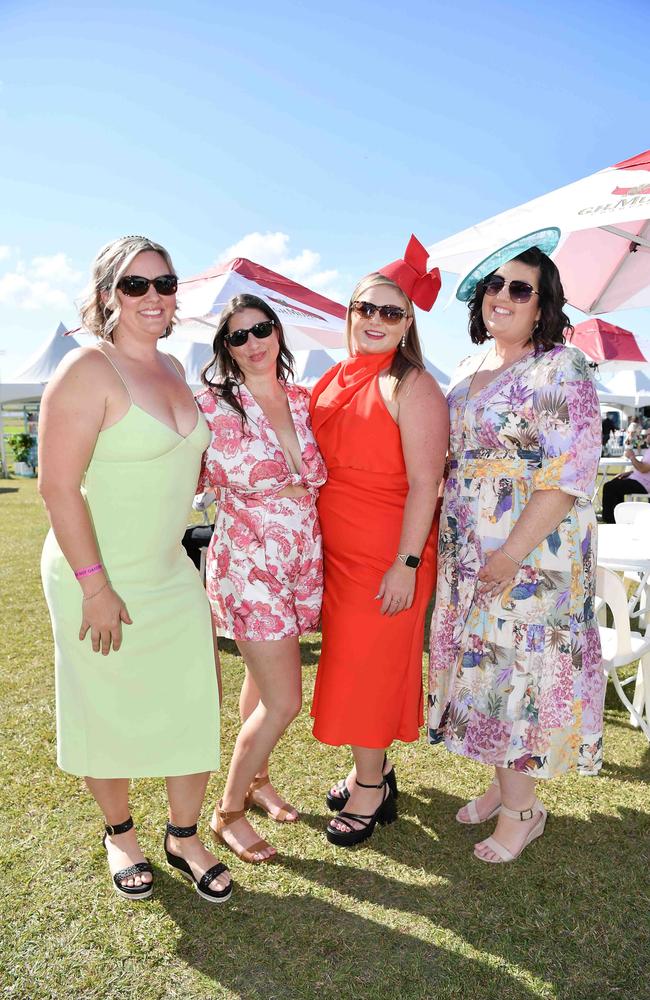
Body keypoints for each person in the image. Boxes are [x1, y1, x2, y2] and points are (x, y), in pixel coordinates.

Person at [39, 236, 231, 903]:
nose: (154, 297)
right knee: (106, 702)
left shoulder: (178, 367)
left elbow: (182, 464)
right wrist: (96, 587)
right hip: (95, 572)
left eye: (166, 284)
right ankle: (120, 832)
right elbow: (57, 486)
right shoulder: (87, 370)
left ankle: (184, 835)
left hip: (168, 567)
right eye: (136, 286)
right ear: (106, 298)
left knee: (192, 694)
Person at [427, 229, 604, 864]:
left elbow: (567, 474)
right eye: (493, 285)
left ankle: (524, 811)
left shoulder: (561, 366)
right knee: (482, 673)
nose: (502, 295)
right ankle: (503, 786)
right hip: (470, 553)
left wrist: (507, 555)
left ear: (542, 303)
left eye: (519, 288)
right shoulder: (474, 370)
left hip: (528, 557)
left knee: (513, 678)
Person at [309, 235, 449, 847]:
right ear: (350, 312)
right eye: (366, 307)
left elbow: (427, 483)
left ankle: (370, 787)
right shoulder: (333, 377)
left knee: (370, 669)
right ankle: (377, 771)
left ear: (408, 322)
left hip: (389, 554)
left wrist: (406, 563)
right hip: (336, 555)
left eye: (391, 312)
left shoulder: (412, 385)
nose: (374, 320)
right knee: (349, 663)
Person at [196, 294, 326, 863]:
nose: (252, 342)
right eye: (238, 336)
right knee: (285, 700)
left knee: (262, 677)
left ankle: (258, 781)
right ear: (225, 349)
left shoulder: (306, 398)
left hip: (299, 557)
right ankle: (227, 812)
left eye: (261, 328)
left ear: (277, 331)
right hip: (248, 561)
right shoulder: (210, 406)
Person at [601, 428, 650, 522]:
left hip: (644, 484)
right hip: (639, 480)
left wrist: (632, 456)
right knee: (614, 484)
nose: (645, 438)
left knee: (610, 487)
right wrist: (629, 473)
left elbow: (643, 469)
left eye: (647, 435)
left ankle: (611, 520)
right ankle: (617, 518)